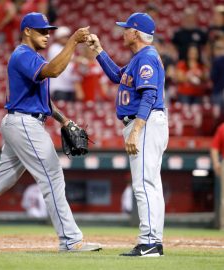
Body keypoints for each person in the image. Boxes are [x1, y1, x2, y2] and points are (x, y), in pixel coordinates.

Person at [0, 12, 101, 253]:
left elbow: (42, 98)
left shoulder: (32, 56)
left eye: (48, 30)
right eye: (41, 30)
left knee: (3, 178)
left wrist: (63, 120)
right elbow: (54, 71)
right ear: (27, 31)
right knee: (52, 176)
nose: (46, 35)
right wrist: (72, 41)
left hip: (22, 121)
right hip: (24, 123)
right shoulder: (22, 55)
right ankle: (71, 240)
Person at [87, 12, 168, 257]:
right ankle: (153, 240)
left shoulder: (146, 57)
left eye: (126, 28)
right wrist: (99, 51)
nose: (123, 32)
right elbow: (116, 76)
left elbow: (149, 96)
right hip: (149, 123)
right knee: (151, 185)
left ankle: (150, 242)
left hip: (145, 123)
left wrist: (136, 130)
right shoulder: (140, 58)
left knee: (144, 184)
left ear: (135, 32)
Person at [47, 26, 76, 101]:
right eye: (64, 37)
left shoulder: (69, 48)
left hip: (70, 86)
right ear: (58, 38)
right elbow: (61, 60)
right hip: (58, 86)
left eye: (67, 37)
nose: (66, 39)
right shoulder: (54, 48)